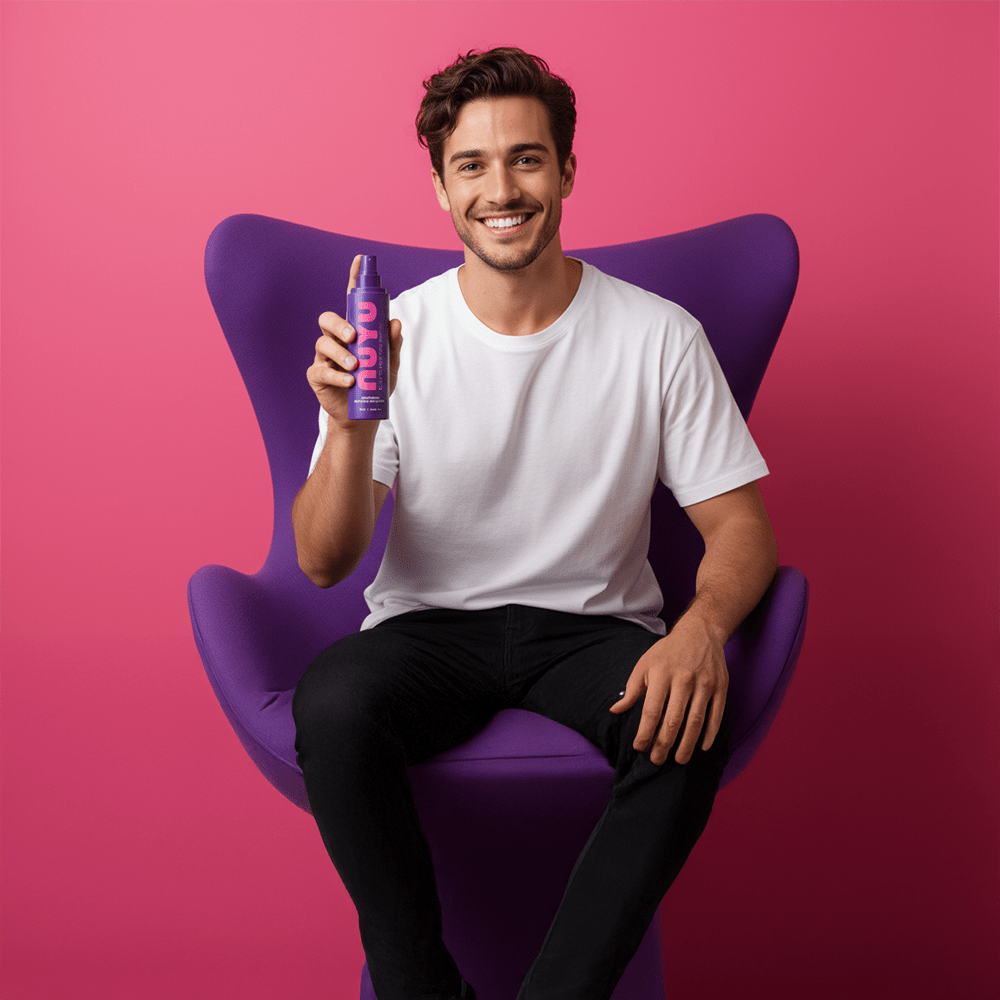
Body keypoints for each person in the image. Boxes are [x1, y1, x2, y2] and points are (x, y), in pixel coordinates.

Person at [291, 46, 777, 1000]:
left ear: (564, 172)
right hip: (427, 629)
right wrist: (353, 428)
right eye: (472, 164)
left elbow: (745, 532)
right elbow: (323, 561)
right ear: (439, 186)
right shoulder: (398, 336)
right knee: (334, 704)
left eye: (526, 158)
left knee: (687, 723)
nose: (501, 187)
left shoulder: (658, 335)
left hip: (591, 631)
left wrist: (701, 629)